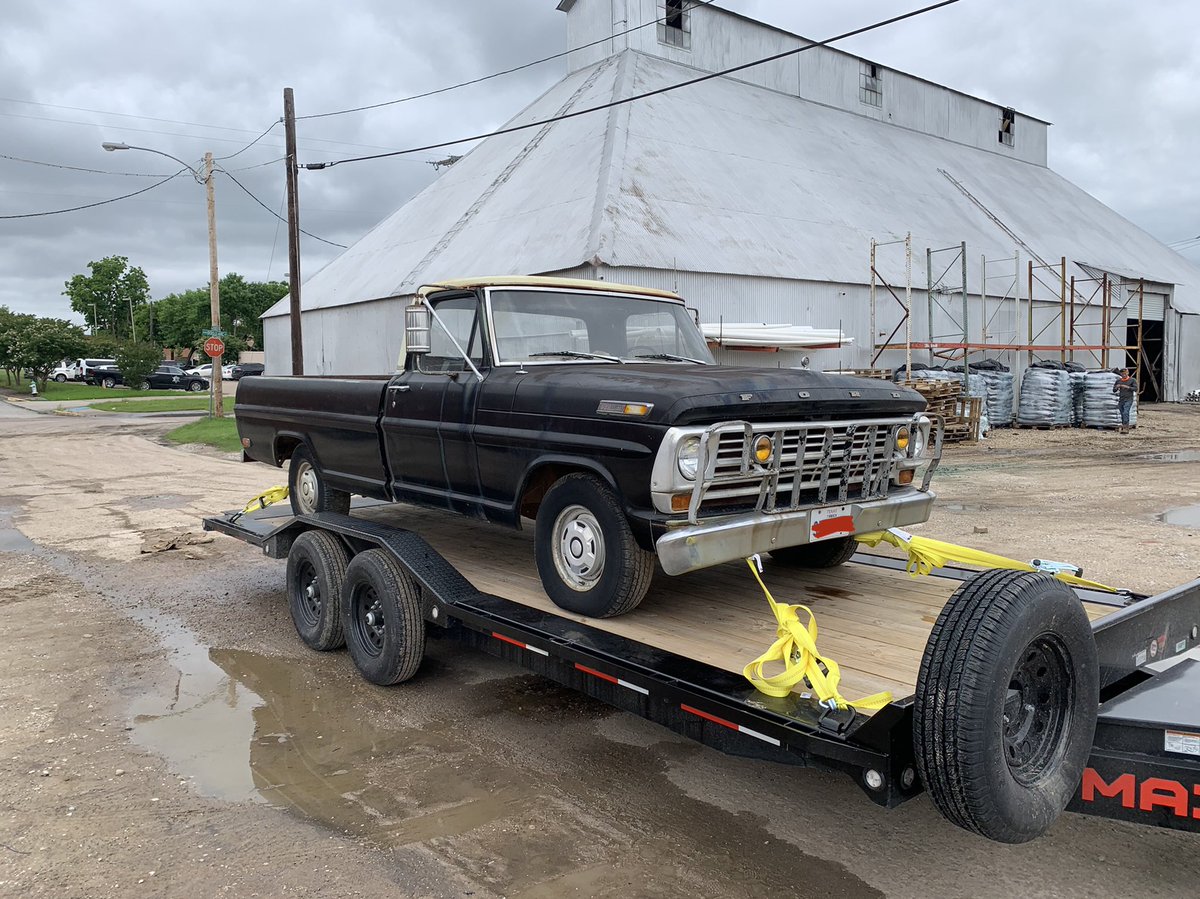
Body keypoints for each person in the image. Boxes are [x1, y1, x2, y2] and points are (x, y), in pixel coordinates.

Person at [1112, 368, 1137, 433]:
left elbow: (1135, 389)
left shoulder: (1132, 380)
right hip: (1121, 399)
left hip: (1129, 399)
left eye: (1125, 373)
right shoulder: (1118, 381)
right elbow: (1114, 390)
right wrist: (1116, 387)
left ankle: (1126, 428)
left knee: (1126, 412)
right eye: (1122, 374)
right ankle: (1124, 426)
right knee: (1122, 413)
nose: (1124, 375)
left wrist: (1127, 387)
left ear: (1128, 373)